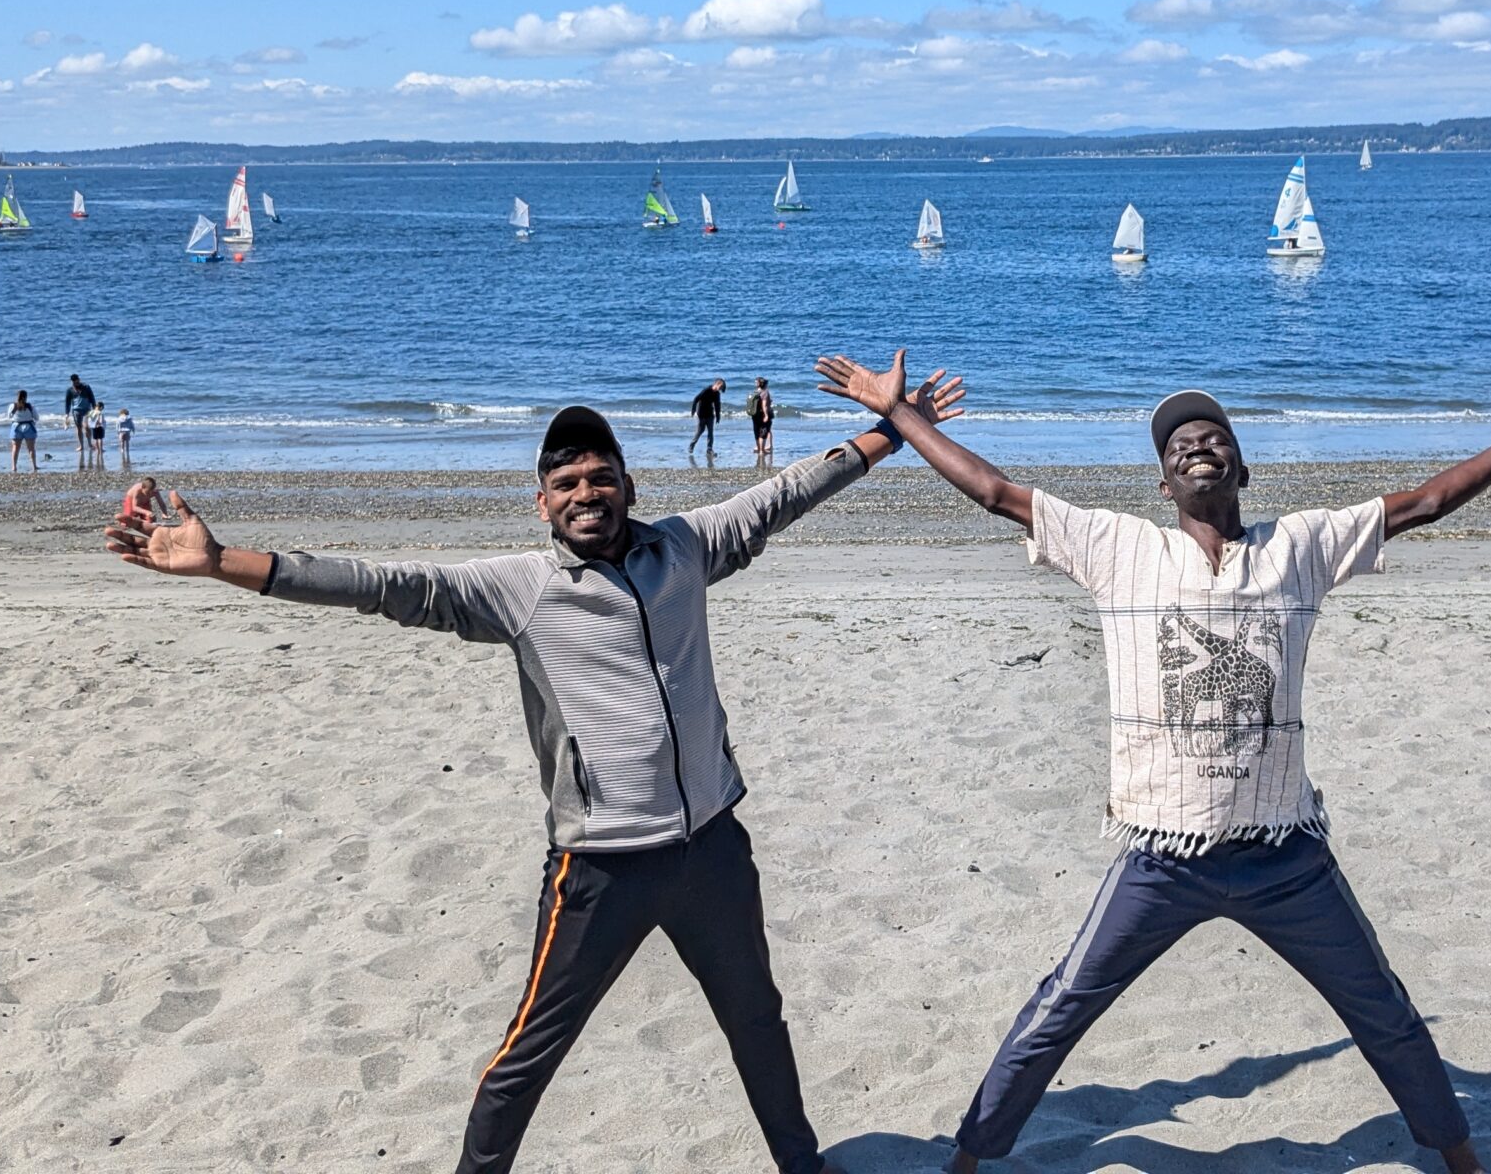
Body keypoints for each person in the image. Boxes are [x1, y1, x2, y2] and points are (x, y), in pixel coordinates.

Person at [104, 364, 966, 1174]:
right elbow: (380, 584)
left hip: (712, 851)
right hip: (601, 869)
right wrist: (221, 563)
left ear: (631, 487)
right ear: (542, 502)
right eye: (567, 483)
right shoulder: (518, 589)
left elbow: (787, 493)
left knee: (757, 1022)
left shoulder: (685, 549)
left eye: (601, 478)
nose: (587, 493)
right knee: (529, 1054)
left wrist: (895, 426)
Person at [813, 351, 1491, 1174]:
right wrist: (898, 415)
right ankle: (968, 1159)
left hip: (1285, 856)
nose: (1197, 445)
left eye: (1214, 437)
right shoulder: (1115, 546)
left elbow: (1427, 502)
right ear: (1164, 486)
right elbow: (994, 492)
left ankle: (1460, 1158)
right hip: (1164, 856)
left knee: (1383, 1010)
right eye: (1179, 445)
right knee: (1062, 1005)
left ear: (1242, 470)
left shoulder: (1300, 546)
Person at [65, 374, 98, 470]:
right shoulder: (70, 390)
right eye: (74, 382)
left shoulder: (86, 387)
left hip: (87, 409)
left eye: (77, 381)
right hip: (76, 410)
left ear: (79, 379)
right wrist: (66, 413)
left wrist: (95, 409)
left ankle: (90, 443)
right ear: (72, 381)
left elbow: (92, 398)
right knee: (79, 428)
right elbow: (67, 402)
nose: (76, 383)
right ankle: (81, 445)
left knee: (87, 426)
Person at [688, 377, 726, 458]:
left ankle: (709, 449)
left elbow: (717, 405)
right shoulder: (706, 390)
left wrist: (718, 416)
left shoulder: (717, 394)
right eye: (720, 387)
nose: (720, 389)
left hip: (710, 415)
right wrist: (693, 410)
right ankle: (692, 445)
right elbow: (696, 399)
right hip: (701, 414)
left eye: (721, 388)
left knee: (710, 432)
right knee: (700, 431)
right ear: (717, 384)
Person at [7, 390, 40, 473]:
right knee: (31, 448)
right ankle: (34, 466)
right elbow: (37, 418)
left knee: (15, 448)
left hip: (16, 427)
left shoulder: (13, 406)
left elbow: (9, 416)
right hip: (29, 427)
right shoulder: (30, 406)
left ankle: (14, 466)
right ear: (26, 397)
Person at [749, 377, 778, 460]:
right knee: (763, 432)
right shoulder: (765, 392)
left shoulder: (755, 392)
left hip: (755, 414)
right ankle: (762, 450)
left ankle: (759, 449)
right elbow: (764, 405)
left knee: (757, 432)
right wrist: (766, 415)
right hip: (762, 414)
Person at [87, 403, 108, 468]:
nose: (102, 409)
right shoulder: (100, 413)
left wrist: (91, 425)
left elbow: (89, 419)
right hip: (100, 426)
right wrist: (101, 423)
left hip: (93, 427)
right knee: (100, 438)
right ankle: (101, 449)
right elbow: (101, 421)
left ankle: (97, 449)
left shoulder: (91, 412)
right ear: (101, 407)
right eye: (102, 408)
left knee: (95, 438)